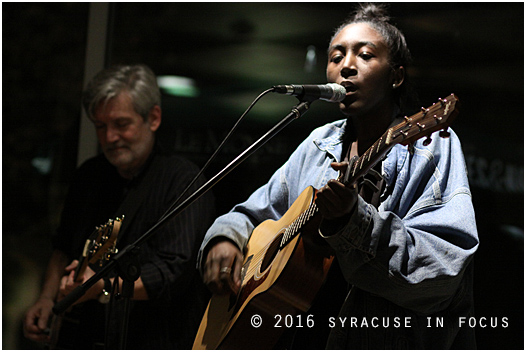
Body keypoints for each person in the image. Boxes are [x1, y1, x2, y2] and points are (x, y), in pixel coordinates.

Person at [198, 3, 479, 349]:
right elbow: (256, 214)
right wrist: (225, 238)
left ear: (396, 76)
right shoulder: (319, 143)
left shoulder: (427, 145)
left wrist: (353, 220)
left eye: (365, 55)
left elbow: (442, 274)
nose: (347, 66)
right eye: (336, 57)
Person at [23, 64, 216, 349]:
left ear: (153, 118)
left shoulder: (182, 180)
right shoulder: (88, 176)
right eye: (100, 126)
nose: (109, 137)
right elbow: (63, 247)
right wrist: (47, 298)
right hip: (82, 336)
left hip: (152, 339)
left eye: (121, 124)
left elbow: (172, 274)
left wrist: (99, 286)